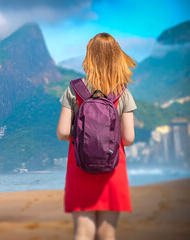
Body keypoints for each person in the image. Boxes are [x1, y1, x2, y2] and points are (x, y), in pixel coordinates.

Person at [56, 32, 137, 240]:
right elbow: (128, 138)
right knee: (107, 233)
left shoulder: (75, 89)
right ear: (117, 57)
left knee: (83, 232)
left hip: (80, 166)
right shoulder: (122, 92)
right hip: (113, 168)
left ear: (89, 57)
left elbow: (63, 132)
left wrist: (84, 137)